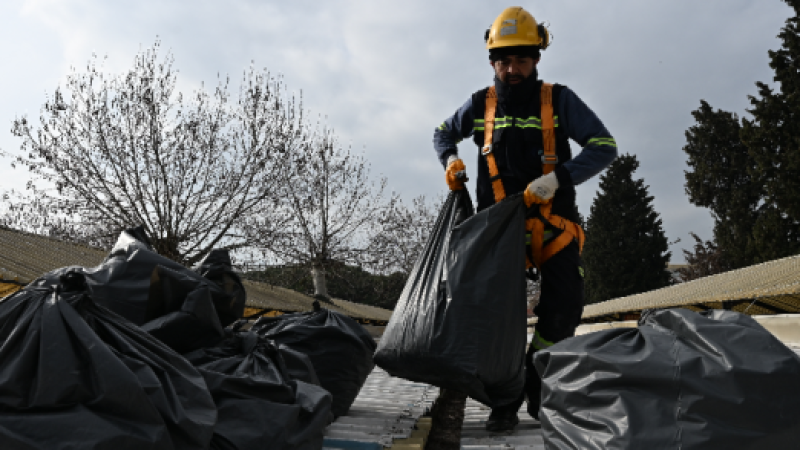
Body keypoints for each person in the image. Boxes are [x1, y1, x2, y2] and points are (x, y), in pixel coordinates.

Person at [432, 6, 618, 432]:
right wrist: (451, 158)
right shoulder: (481, 104)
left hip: (553, 222)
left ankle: (539, 384)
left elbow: (604, 146)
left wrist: (559, 179)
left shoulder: (560, 99)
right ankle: (504, 402)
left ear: (537, 58)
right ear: (491, 60)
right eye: (503, 60)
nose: (511, 69)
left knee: (565, 307)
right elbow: (443, 132)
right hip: (498, 226)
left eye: (521, 59)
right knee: (499, 317)